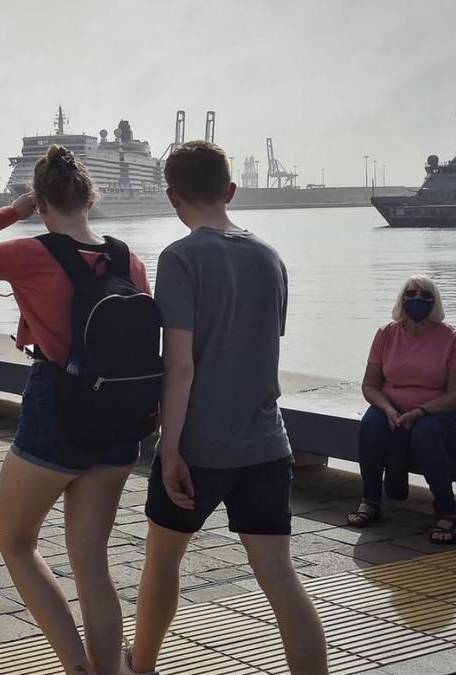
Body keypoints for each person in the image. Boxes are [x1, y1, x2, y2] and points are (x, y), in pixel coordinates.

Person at [0, 144, 152, 675]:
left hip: (58, 409)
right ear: (90, 198)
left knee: (16, 542)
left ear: (43, 200)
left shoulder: (30, 253)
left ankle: (76, 669)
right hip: (120, 418)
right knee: (92, 564)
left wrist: (15, 210)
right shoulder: (130, 260)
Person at [128, 142, 327, 675]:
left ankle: (141, 665)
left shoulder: (180, 257)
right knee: (280, 577)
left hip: (200, 448)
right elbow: (262, 342)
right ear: (231, 191)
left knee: (163, 561)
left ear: (172, 197)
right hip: (267, 442)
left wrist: (169, 447)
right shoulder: (270, 256)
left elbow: (182, 364)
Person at [346, 275, 456, 544]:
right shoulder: (386, 334)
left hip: (440, 410)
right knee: (370, 427)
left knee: (425, 434)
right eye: (411, 294)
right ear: (401, 299)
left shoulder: (452, 338)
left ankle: (448, 513)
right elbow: (370, 385)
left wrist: (421, 412)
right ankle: (370, 501)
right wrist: (389, 409)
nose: (417, 300)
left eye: (425, 296)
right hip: (391, 406)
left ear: (435, 302)